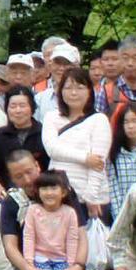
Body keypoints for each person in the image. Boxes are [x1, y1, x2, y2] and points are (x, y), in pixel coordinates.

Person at [41, 67, 112, 221]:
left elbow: (98, 163)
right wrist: (85, 158)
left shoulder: (99, 119)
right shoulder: (51, 117)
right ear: (61, 91)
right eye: (68, 88)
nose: (74, 93)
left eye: (80, 88)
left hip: (90, 197)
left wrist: (91, 197)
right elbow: (52, 149)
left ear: (89, 91)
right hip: (58, 194)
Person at [20, 169, 87, 270]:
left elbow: (72, 239)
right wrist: (28, 262)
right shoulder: (33, 211)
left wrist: (71, 264)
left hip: (61, 259)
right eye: (44, 188)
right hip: (40, 258)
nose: (49, 193)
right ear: (38, 191)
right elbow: (29, 237)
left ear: (63, 192)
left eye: (53, 188)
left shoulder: (69, 212)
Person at [0, 87, 44, 196]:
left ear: (32, 108)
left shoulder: (44, 133)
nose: (18, 110)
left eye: (22, 106)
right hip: (7, 194)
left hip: (41, 192)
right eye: (13, 106)